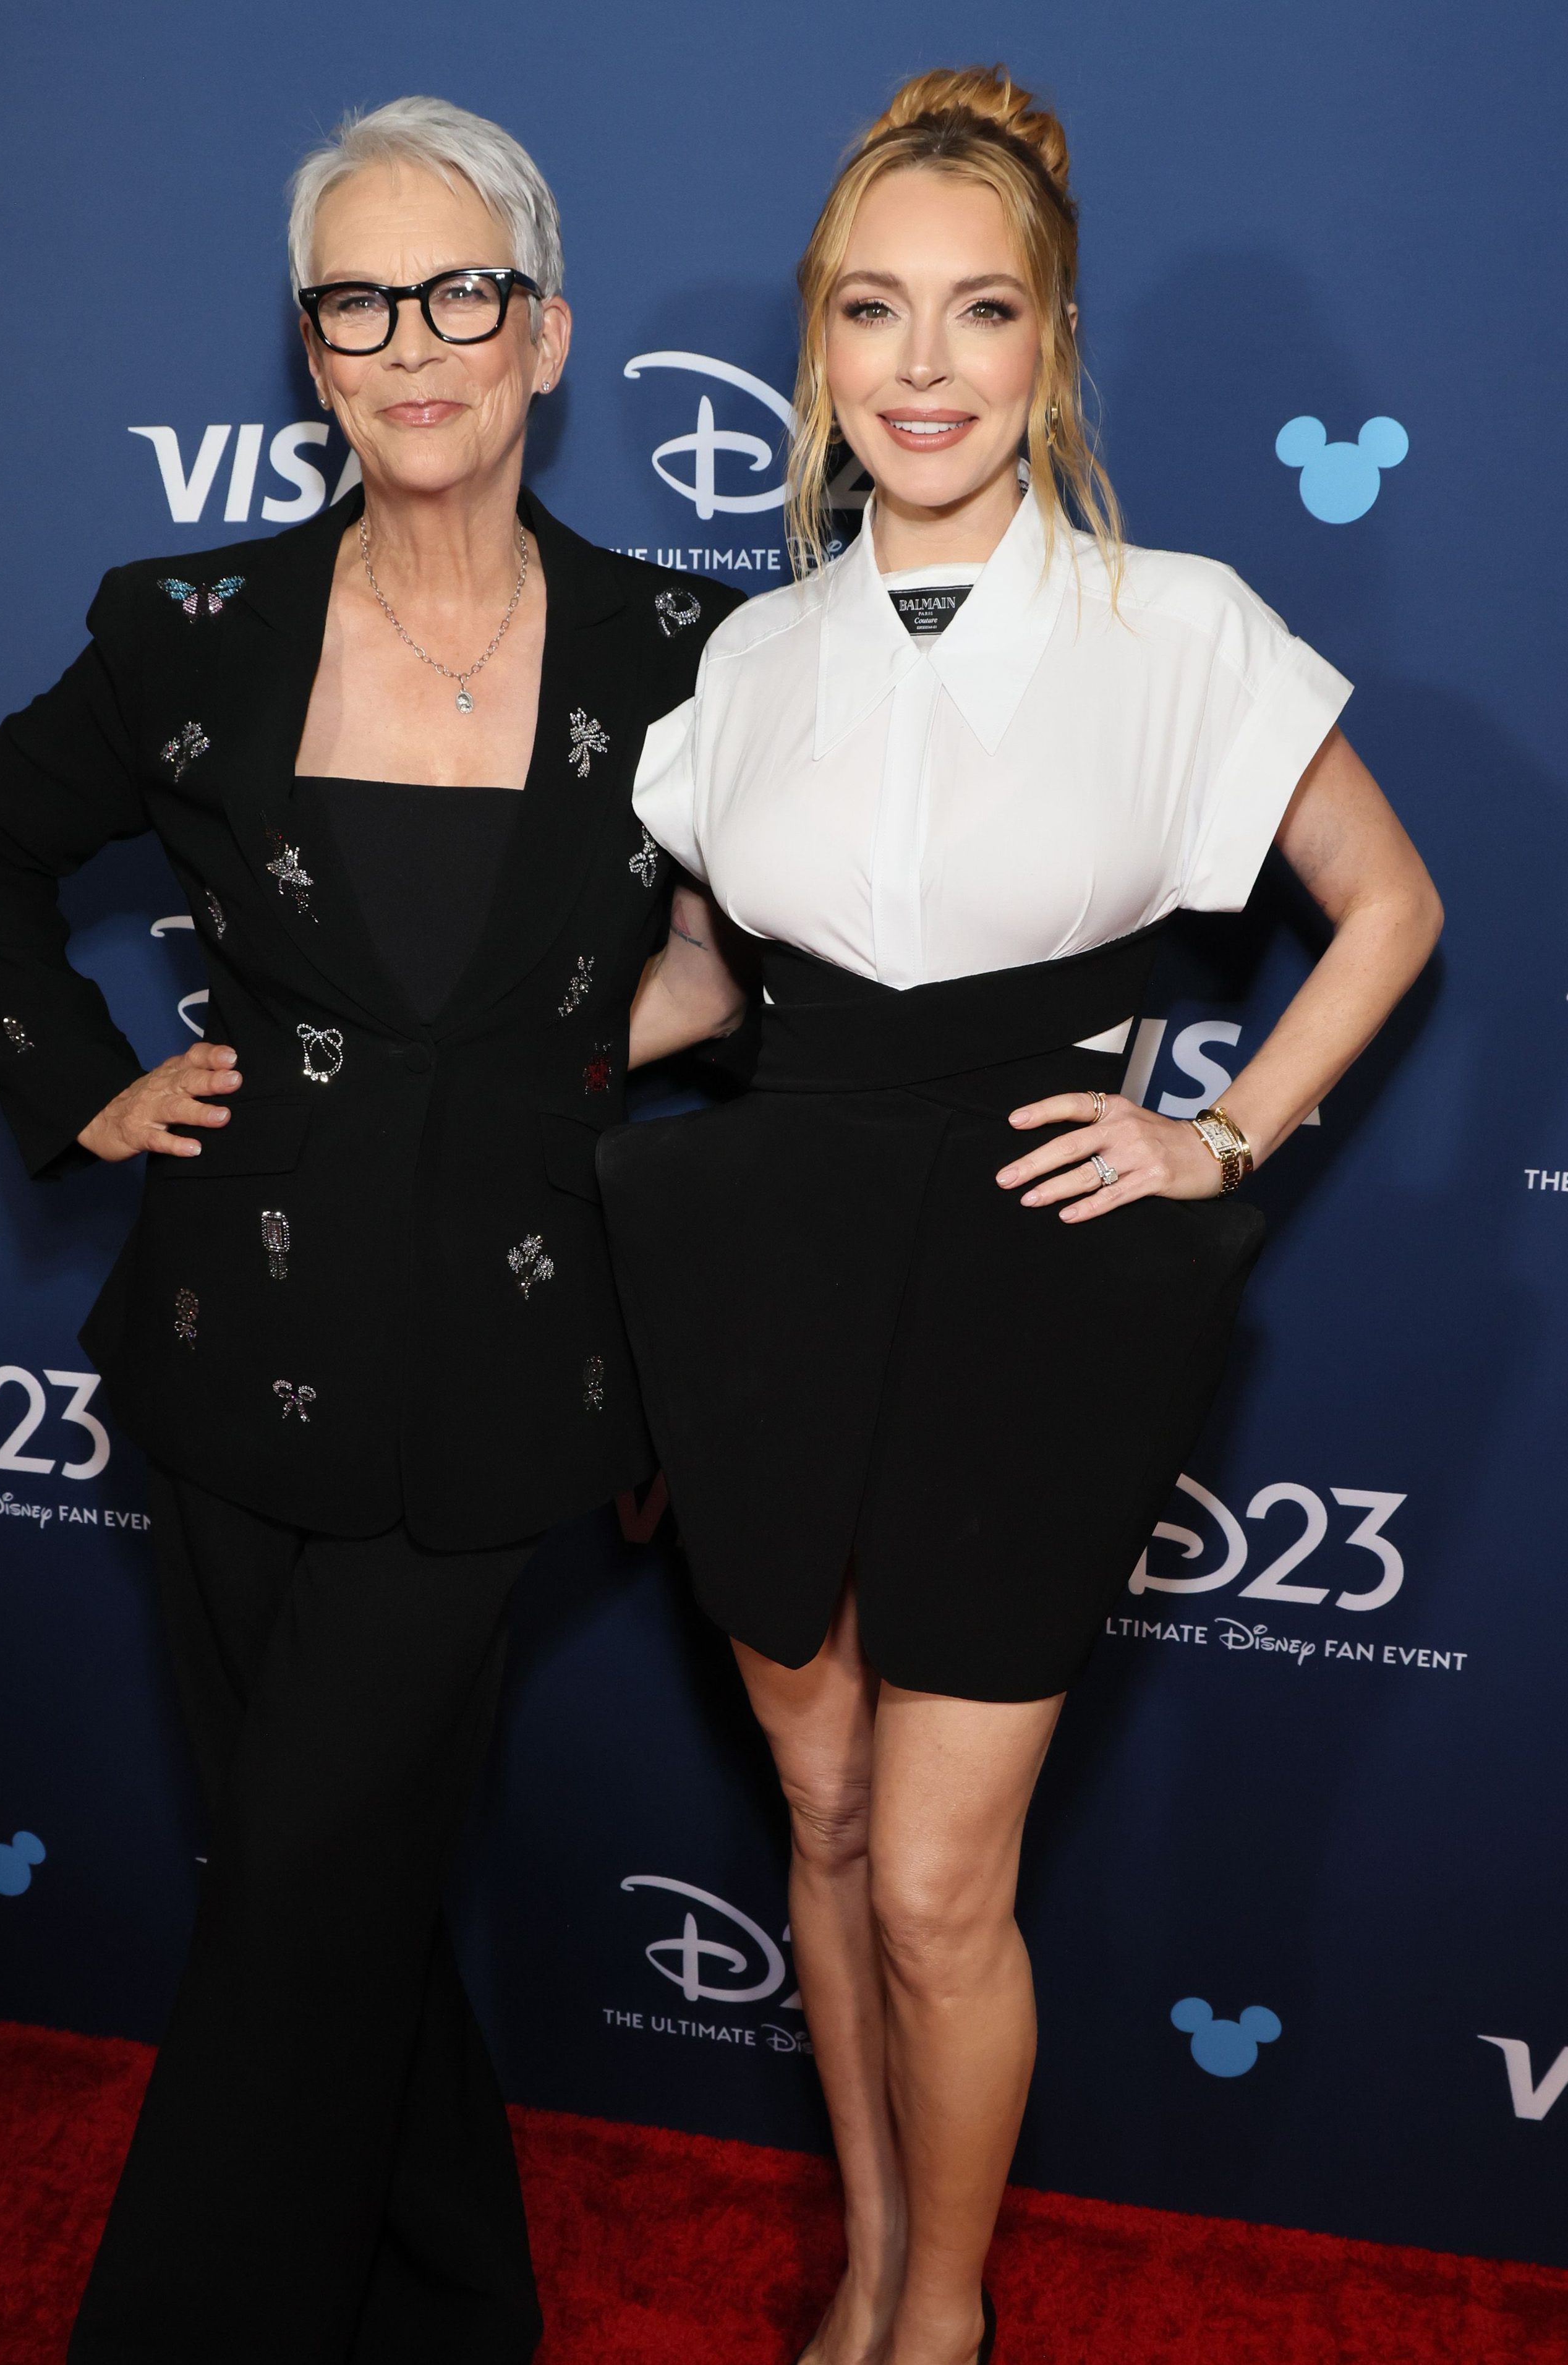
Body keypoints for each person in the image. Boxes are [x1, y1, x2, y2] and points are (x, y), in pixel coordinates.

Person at [607, 65, 1442, 2365]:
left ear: (1049, 345)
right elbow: (704, 976)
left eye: (978, 314)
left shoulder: (1176, 624)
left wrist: (1223, 1133)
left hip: (1034, 1276)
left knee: (945, 1877)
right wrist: (515, 1054)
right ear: (818, 351)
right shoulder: (746, 662)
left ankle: (946, 2323)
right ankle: (867, 2268)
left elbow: (1386, 907)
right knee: (827, 1808)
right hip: (771, 1265)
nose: (922, 364)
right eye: (872, 313)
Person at [0, 95, 736, 2365]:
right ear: (311, 348)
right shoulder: (187, 628)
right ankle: (461, 2305)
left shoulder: (686, 651)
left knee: (296, 1900)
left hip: (503, 1388)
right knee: (332, 1904)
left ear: (544, 333)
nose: (412, 341)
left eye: (460, 290)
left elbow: (779, 976)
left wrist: (605, 1071)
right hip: (218, 1366)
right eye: (358, 300)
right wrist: (78, 1083)